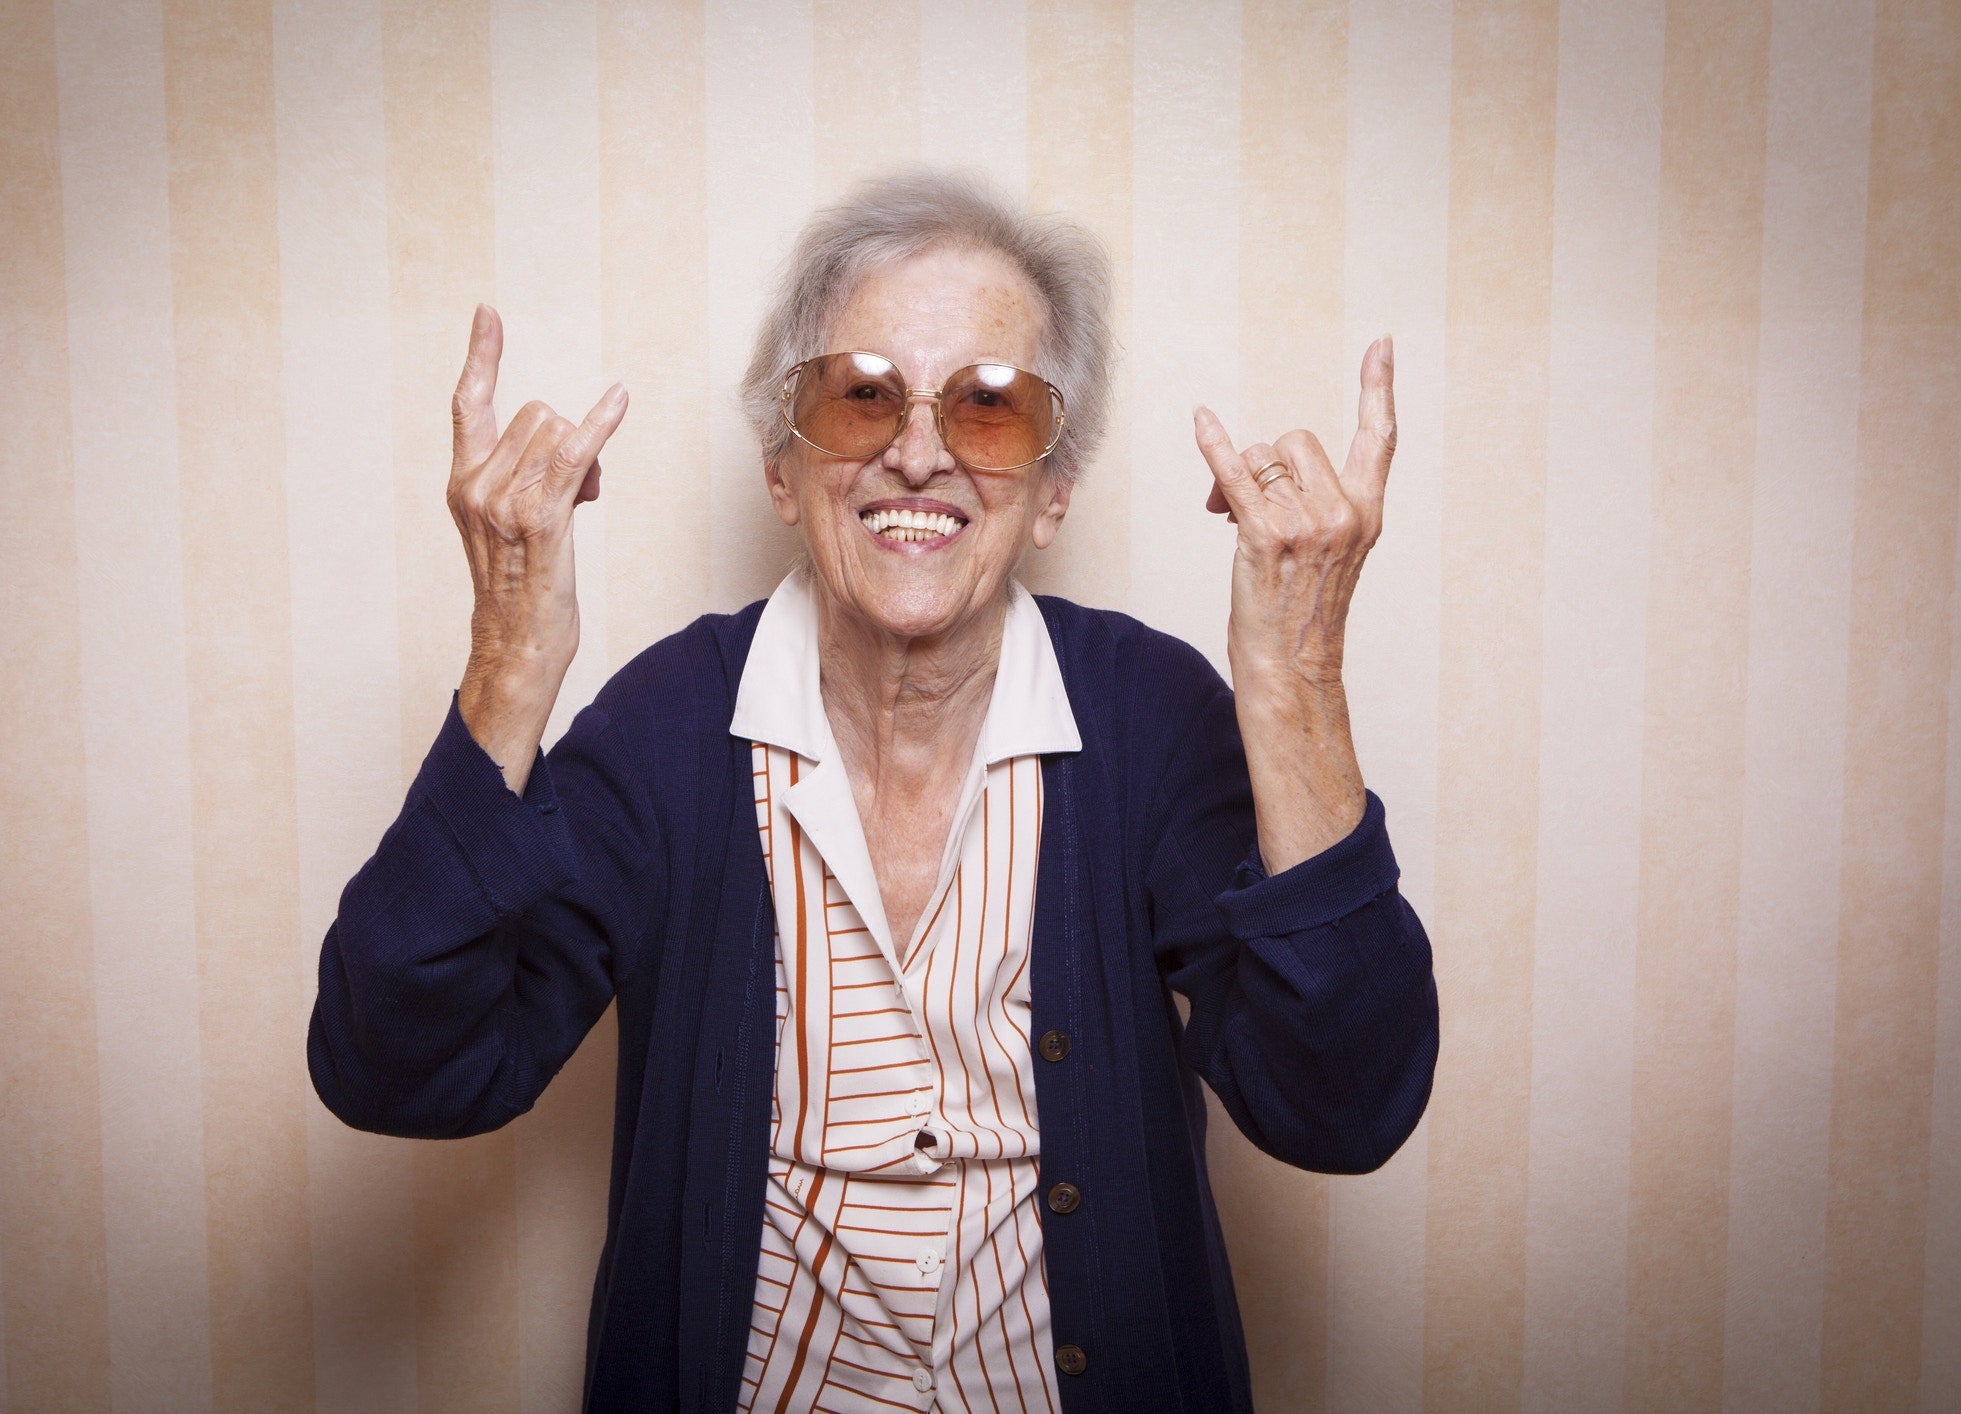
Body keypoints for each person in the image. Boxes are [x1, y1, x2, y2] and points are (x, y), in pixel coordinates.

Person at [308, 171, 1436, 1413]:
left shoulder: (1150, 717)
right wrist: (511, 662)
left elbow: (1346, 1107)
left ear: (1055, 491)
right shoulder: (669, 724)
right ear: (785, 473)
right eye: (859, 396)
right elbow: (396, 1069)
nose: (916, 451)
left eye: (990, 409)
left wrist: (1299, 685)